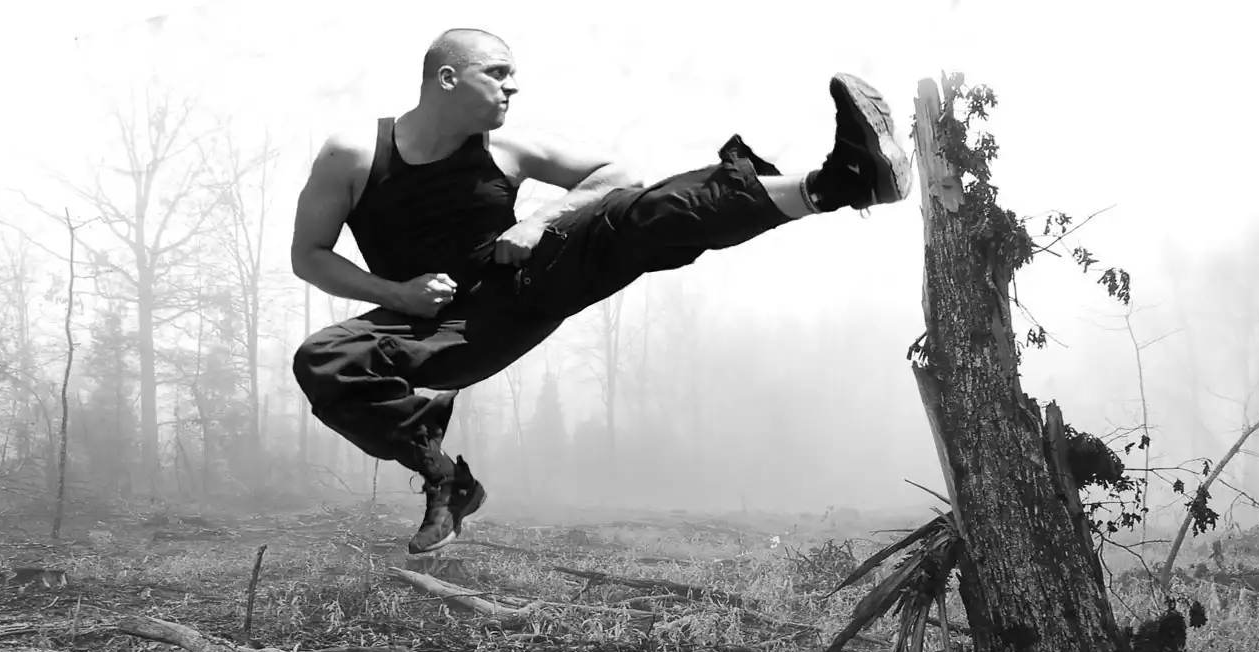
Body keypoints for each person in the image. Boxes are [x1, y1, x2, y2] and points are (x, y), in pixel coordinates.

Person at [289, 28, 911, 554]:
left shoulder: (507, 148)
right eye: (499, 73)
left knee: (637, 216)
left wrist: (537, 221)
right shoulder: (353, 154)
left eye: (514, 75)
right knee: (324, 359)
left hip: (527, 283)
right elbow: (308, 257)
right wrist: (395, 295)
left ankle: (842, 183)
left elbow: (616, 174)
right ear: (448, 78)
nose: (513, 86)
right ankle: (445, 481)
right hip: (435, 325)